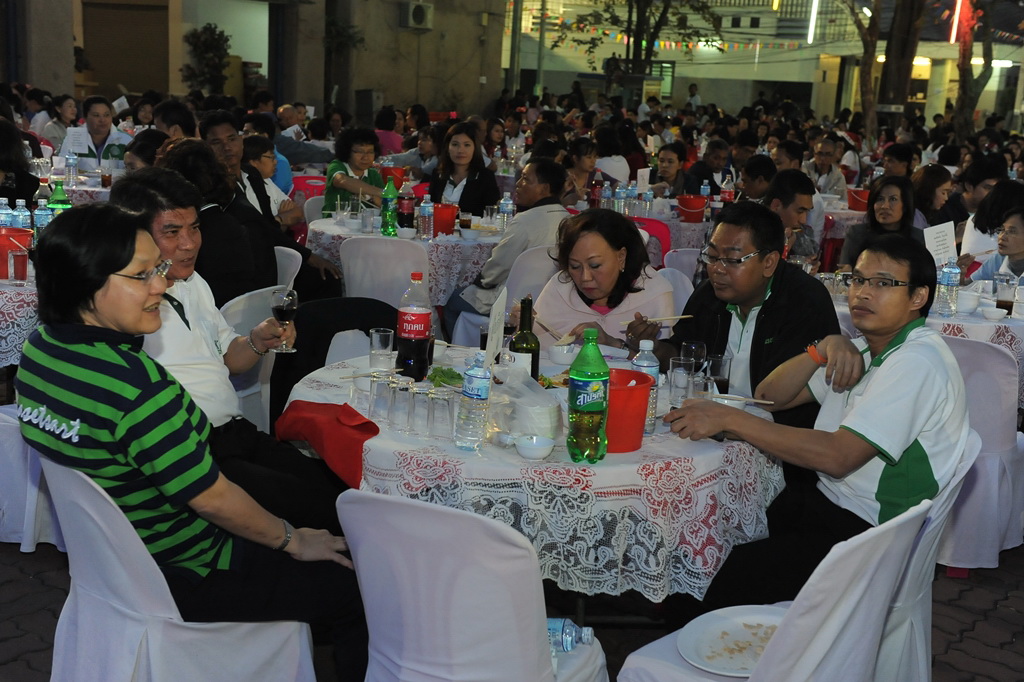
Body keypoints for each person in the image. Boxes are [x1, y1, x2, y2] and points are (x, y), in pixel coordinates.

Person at [18, 204, 367, 678]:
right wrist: (293, 540)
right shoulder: (137, 388)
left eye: (157, 270)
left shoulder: (40, 351)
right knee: (361, 589)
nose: (160, 286)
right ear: (85, 283)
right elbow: (213, 499)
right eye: (141, 275)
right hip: (186, 568)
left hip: (115, 562)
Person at [665, 233, 968, 619]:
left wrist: (728, 418)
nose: (862, 293)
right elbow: (770, 396)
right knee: (703, 541)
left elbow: (838, 457)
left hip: (868, 533)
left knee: (702, 581)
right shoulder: (865, 349)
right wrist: (822, 347)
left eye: (882, 283)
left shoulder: (916, 362)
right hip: (825, 503)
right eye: (858, 279)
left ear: (918, 297)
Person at [109, 168, 349, 535]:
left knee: (340, 491)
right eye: (172, 232)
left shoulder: (193, 281)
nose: (189, 244)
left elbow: (229, 361)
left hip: (234, 433)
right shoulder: (125, 309)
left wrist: (257, 340)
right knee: (326, 516)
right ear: (136, 237)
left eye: (194, 228)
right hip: (191, 451)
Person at [443, 158, 570, 338]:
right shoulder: (570, 220)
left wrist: (481, 281)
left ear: (544, 188)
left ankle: (460, 348)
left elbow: (497, 267)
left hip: (512, 303)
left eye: (525, 179)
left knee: (453, 301)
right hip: (551, 301)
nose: (518, 183)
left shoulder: (525, 220)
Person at [534, 208, 673, 349]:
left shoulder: (653, 292)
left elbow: (666, 357)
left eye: (595, 265)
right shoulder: (560, 289)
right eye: (575, 266)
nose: (585, 277)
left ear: (621, 257)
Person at [839, 175, 923, 268]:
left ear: (905, 205)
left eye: (893, 199)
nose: (884, 206)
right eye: (880, 199)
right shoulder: (857, 234)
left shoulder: (918, 238)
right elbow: (843, 271)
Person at [428, 121, 500, 217]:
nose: (460, 150)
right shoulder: (438, 174)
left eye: (467, 145)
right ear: (447, 148)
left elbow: (491, 215)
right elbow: (430, 209)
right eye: (455, 144)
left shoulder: (485, 177)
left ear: (475, 148)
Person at [57, 95, 132, 171]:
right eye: (96, 115)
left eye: (106, 115)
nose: (102, 120)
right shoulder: (74, 137)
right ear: (85, 118)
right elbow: (61, 168)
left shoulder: (126, 140)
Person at [242, 135, 303, 228]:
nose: (275, 162)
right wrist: (282, 220)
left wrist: (278, 219)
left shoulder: (267, 181)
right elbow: (263, 230)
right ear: (254, 162)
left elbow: (298, 212)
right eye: (272, 157)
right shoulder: (247, 189)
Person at [323, 127, 384, 215]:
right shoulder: (337, 166)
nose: (365, 157)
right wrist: (380, 192)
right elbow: (342, 180)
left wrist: (376, 200)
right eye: (359, 152)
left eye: (370, 152)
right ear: (347, 152)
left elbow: (385, 205)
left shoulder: (373, 174)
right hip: (334, 222)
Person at [763, 169, 818, 260]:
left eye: (807, 211)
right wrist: (784, 249)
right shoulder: (753, 233)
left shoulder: (796, 231)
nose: (803, 220)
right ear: (776, 205)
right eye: (800, 211)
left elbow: (812, 255)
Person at [969, 206, 1024, 284]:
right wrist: (959, 275)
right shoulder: (997, 261)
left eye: (1012, 231)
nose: (1002, 237)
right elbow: (969, 285)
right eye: (1002, 230)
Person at [910, 163, 953, 228]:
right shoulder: (915, 217)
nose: (946, 198)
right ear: (929, 190)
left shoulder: (927, 214)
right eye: (943, 193)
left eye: (948, 193)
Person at [562, 137, 599, 206]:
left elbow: (617, 185)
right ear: (575, 158)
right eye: (589, 157)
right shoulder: (562, 175)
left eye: (595, 157)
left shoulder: (596, 174)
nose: (593, 161)